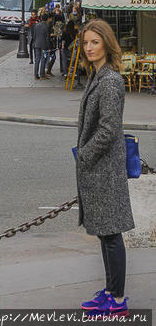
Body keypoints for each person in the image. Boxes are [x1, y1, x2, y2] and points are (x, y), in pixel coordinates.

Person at [77, 19, 134, 317]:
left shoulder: (110, 80)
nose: (89, 48)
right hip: (99, 168)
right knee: (104, 233)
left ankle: (118, 299)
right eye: (86, 43)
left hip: (104, 169)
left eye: (95, 42)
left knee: (111, 235)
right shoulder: (97, 76)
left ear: (106, 44)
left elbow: (109, 128)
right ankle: (111, 291)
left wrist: (85, 155)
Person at [32, 12, 53, 80]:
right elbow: (47, 38)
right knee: (43, 59)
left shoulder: (36, 25)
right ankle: (42, 75)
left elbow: (34, 35)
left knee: (37, 60)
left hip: (36, 44)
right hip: (44, 45)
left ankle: (35, 75)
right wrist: (49, 47)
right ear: (47, 19)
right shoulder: (46, 26)